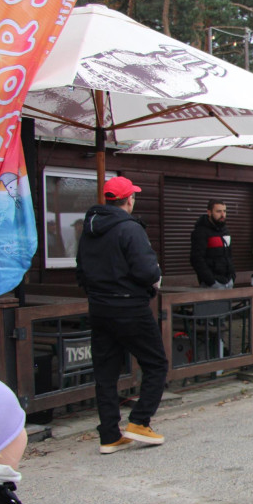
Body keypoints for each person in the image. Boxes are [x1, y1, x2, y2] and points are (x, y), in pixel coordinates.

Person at [76, 176, 167, 455]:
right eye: (133, 197)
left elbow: (80, 272)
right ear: (128, 200)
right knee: (156, 364)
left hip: (100, 308)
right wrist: (154, 277)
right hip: (130, 307)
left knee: (105, 373)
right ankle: (139, 421)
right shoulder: (130, 228)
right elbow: (147, 271)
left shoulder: (88, 229)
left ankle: (109, 435)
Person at [189, 199, 236, 288]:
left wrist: (232, 276)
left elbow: (229, 255)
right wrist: (210, 280)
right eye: (218, 211)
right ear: (209, 212)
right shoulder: (201, 232)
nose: (222, 215)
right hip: (212, 283)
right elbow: (196, 259)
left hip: (228, 281)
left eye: (224, 211)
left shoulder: (225, 231)